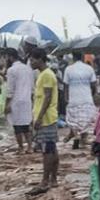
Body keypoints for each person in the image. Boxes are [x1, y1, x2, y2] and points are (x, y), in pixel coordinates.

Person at [29, 50, 61, 191]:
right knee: (51, 149)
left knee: (47, 150)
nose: (31, 63)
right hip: (47, 117)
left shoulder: (47, 75)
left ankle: (45, 180)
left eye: (32, 60)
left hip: (46, 118)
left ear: (40, 59)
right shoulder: (43, 74)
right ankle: (53, 179)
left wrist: (40, 117)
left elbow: (47, 98)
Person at [62, 54, 98, 145]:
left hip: (74, 98)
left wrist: (66, 97)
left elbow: (65, 85)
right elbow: (94, 85)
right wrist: (92, 94)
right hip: (86, 98)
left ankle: (74, 134)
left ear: (73, 58)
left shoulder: (68, 69)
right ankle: (82, 137)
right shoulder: (89, 68)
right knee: (85, 119)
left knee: (74, 118)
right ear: (82, 57)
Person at [5, 49, 37, 152]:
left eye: (6, 57)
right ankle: (29, 146)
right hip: (27, 100)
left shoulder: (11, 70)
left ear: (10, 57)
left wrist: (7, 104)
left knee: (17, 126)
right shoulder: (28, 69)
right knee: (26, 125)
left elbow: (10, 89)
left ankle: (20, 147)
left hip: (16, 100)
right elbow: (32, 87)